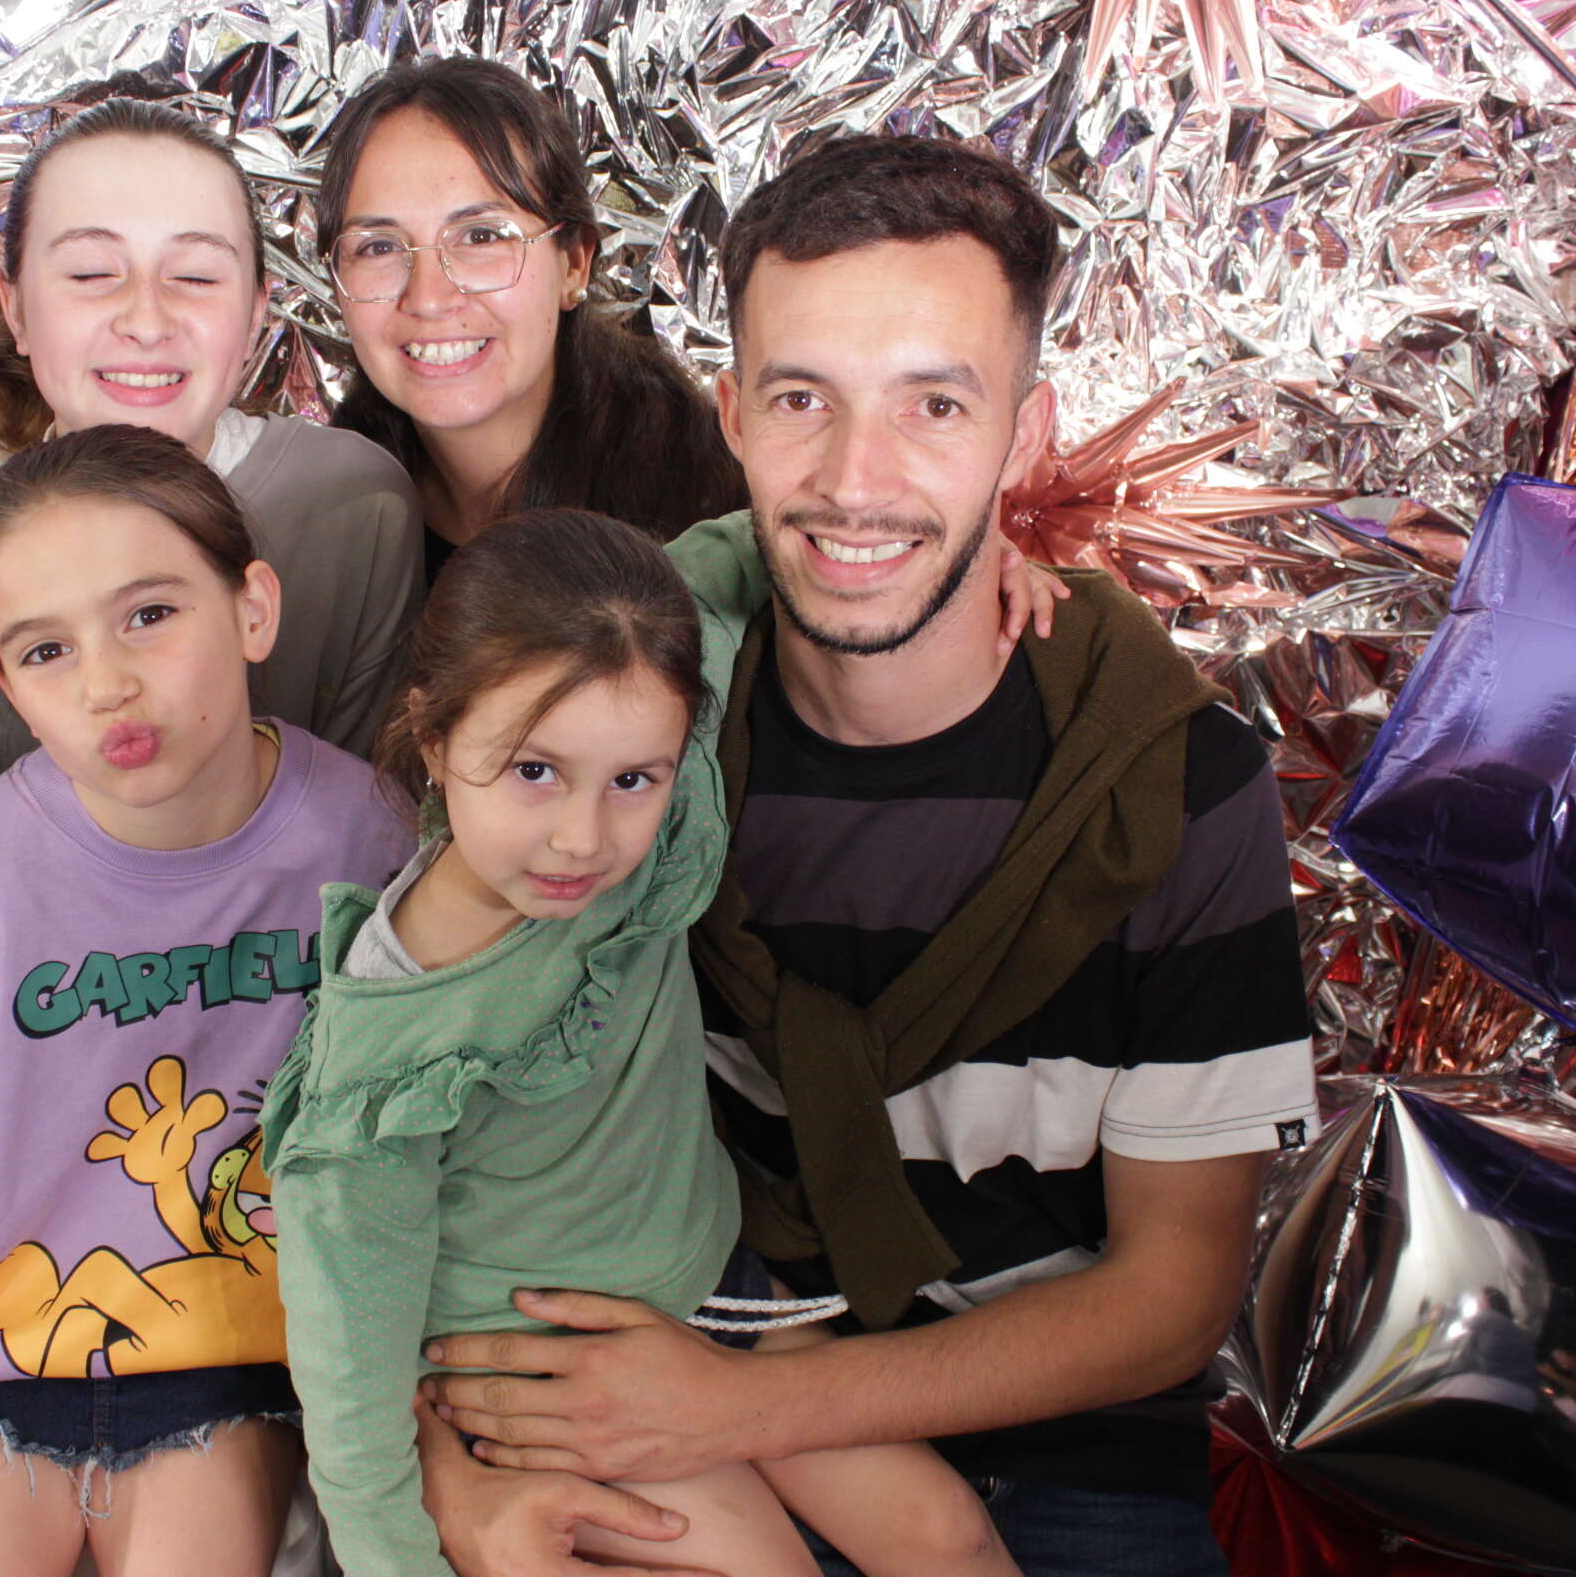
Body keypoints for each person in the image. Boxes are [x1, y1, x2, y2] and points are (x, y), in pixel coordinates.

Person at [416, 135, 1319, 1577]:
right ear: (733, 416)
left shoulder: (1177, 785)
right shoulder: (635, 737)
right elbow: (440, 1088)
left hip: (1059, 1457)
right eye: (802, 400)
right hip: (702, 1398)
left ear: (1022, 434)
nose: (856, 479)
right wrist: (450, 1468)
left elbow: (1171, 1294)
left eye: (935, 405)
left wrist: (741, 1406)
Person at [260, 508, 1017, 1577]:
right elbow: (345, 1350)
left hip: (705, 1280)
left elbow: (737, 553)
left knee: (949, 1535)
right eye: (533, 772)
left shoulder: (649, 709)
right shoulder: (392, 1046)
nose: (584, 838)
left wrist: (969, 553)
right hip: (533, 1366)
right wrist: (403, 1558)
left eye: (633, 781)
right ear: (432, 736)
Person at [0, 426, 414, 1577]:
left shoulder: (369, 834)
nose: (106, 683)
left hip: (228, 1366)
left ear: (253, 609)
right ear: (9, 689)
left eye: (149, 615)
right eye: (47, 651)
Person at [0, 88, 421, 780]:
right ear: (16, 309)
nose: (147, 321)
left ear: (257, 314)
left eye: (194, 276)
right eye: (91, 273)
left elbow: (367, 820)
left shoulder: (354, 504)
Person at [311, 57, 745, 580]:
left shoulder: (713, 532)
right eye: (379, 247)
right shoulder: (310, 528)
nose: (428, 298)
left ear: (574, 263)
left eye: (481, 237)